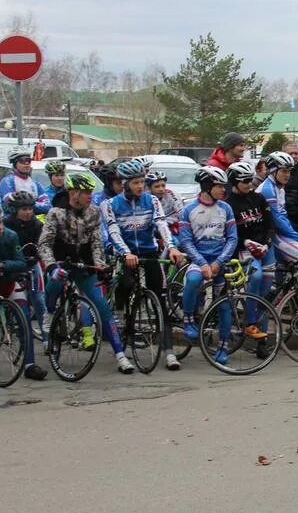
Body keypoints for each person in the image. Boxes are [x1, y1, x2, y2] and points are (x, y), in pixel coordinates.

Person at [38, 173, 134, 374]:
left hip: (84, 263)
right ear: (73, 193)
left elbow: (97, 242)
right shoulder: (56, 213)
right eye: (87, 192)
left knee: (101, 306)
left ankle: (120, 355)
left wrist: (99, 265)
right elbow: (44, 244)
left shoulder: (94, 212)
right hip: (61, 261)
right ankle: (49, 314)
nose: (91, 196)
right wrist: (51, 267)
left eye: (91, 192)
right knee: (54, 284)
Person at [103, 159, 186, 371]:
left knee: (160, 298)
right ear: (124, 183)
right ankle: (121, 316)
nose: (140, 186)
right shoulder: (110, 205)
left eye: (142, 182)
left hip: (148, 251)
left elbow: (161, 224)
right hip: (127, 253)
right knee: (127, 282)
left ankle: (168, 352)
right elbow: (113, 232)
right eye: (136, 183)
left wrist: (172, 247)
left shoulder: (152, 201)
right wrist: (126, 253)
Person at [178, 166, 238, 364]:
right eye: (219, 186)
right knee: (193, 279)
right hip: (198, 259)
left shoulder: (226, 208)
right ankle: (188, 320)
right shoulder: (188, 210)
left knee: (225, 305)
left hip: (220, 259)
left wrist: (219, 262)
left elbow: (232, 238)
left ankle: (222, 347)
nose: (224, 190)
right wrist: (203, 263)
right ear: (207, 186)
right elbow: (185, 241)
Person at [256, 152, 298, 291]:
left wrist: (294, 234)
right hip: (272, 235)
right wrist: (297, 237)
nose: (287, 175)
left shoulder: (279, 188)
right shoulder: (267, 189)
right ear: (273, 171)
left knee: (288, 272)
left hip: (278, 233)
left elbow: (283, 216)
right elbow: (277, 218)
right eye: (284, 171)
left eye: (289, 171)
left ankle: (286, 298)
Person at [226, 161, 276, 338]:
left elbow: (270, 224)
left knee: (266, 290)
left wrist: (267, 243)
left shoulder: (258, 198)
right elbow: (229, 235)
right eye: (244, 181)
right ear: (233, 182)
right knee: (256, 277)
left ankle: (262, 337)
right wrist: (246, 242)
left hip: (264, 246)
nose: (249, 184)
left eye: (250, 180)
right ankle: (251, 322)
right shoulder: (228, 205)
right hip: (245, 247)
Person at [2, 191, 47, 380]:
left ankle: (30, 364)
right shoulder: (9, 223)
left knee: (27, 316)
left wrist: (5, 265)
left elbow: (20, 261)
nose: (28, 212)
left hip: (13, 278)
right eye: (24, 209)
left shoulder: (10, 235)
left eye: (30, 209)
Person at [0, 150, 50, 215]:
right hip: (11, 223)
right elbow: (9, 203)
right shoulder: (7, 181)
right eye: (22, 161)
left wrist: (25, 204)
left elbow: (47, 206)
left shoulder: (35, 184)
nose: (26, 163)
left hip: (31, 222)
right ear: (15, 164)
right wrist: (33, 203)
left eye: (28, 160)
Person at [146, 170, 182, 235]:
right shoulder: (145, 197)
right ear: (149, 188)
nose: (161, 189)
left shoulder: (171, 194)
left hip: (169, 227)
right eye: (157, 186)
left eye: (163, 185)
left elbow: (181, 213)